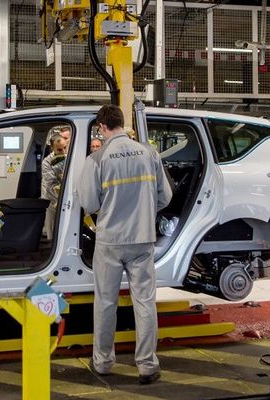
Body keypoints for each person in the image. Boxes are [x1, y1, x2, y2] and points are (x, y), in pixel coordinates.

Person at [75, 104, 172, 385]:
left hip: (111, 241)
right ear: (122, 123)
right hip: (143, 238)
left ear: (102, 127)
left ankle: (104, 363)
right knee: (145, 301)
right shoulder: (149, 153)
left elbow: (90, 203)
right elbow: (164, 197)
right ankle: (147, 365)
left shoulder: (97, 158)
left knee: (106, 303)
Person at [41, 134, 67, 239]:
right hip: (51, 198)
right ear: (52, 148)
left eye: (65, 147)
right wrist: (58, 203)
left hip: (65, 198)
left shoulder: (69, 157)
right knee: (52, 231)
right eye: (60, 149)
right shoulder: (47, 162)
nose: (64, 152)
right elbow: (51, 183)